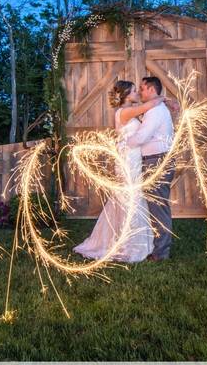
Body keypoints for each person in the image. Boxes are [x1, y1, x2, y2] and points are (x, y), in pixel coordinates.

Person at [72, 80, 174, 262]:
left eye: (140, 90)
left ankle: (142, 243)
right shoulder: (125, 112)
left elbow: (149, 109)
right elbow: (150, 104)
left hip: (135, 158)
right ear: (126, 94)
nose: (138, 93)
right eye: (135, 90)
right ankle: (129, 244)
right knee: (130, 199)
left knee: (135, 198)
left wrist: (163, 100)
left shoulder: (133, 111)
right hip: (129, 159)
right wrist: (163, 99)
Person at [125, 76, 176, 261]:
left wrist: (124, 142)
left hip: (157, 163)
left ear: (151, 90)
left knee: (158, 207)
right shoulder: (156, 109)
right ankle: (160, 248)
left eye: (142, 88)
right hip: (157, 161)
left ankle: (161, 253)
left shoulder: (155, 112)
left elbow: (141, 137)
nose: (140, 92)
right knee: (158, 206)